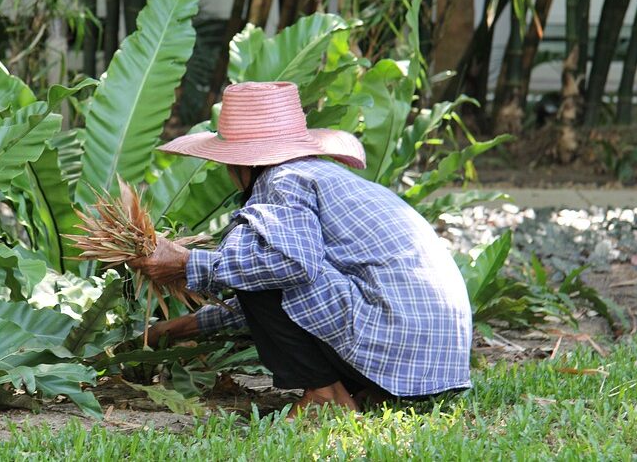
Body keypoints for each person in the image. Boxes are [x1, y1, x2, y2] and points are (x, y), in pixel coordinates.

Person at [129, 81, 472, 414]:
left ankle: (326, 395)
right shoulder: (317, 175)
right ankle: (372, 390)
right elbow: (292, 286)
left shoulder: (282, 179)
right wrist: (182, 327)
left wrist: (188, 264)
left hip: (396, 336)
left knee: (253, 260)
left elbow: (289, 268)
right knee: (254, 264)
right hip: (433, 360)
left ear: (239, 164)